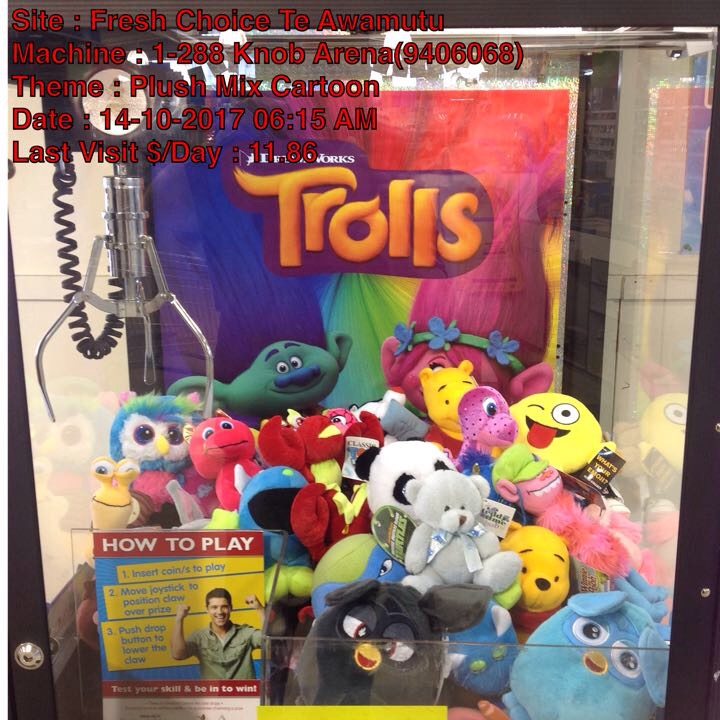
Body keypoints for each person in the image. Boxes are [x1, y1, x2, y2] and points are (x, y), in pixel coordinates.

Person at [171, 587, 265, 680]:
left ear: (231, 608)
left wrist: (260, 609)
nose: (219, 612)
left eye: (224, 607)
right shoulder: (199, 637)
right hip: (212, 690)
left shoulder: (245, 633)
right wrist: (179, 619)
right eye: (214, 607)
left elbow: (268, 641)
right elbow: (178, 655)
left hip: (244, 690)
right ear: (207, 609)